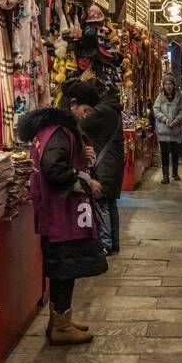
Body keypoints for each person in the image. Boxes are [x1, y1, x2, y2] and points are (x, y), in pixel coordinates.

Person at [17, 80, 108, 345]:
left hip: (60, 213)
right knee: (64, 269)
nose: (86, 116)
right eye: (85, 110)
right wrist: (85, 180)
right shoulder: (59, 132)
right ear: (73, 105)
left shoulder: (52, 130)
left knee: (64, 269)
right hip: (62, 214)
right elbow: (53, 169)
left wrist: (81, 153)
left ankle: (60, 319)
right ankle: (61, 326)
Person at [79, 79, 126, 255]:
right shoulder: (112, 108)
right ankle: (114, 242)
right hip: (112, 163)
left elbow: (80, 126)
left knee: (102, 203)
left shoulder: (100, 111)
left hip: (105, 165)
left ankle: (105, 243)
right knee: (111, 203)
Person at [153, 74, 182, 184]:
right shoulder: (160, 97)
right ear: (163, 86)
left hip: (176, 130)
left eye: (170, 84)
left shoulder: (179, 97)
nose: (168, 86)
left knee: (175, 152)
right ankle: (165, 175)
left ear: (174, 85)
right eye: (166, 84)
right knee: (165, 153)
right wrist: (166, 120)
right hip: (163, 130)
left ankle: (175, 172)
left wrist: (176, 120)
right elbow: (156, 110)